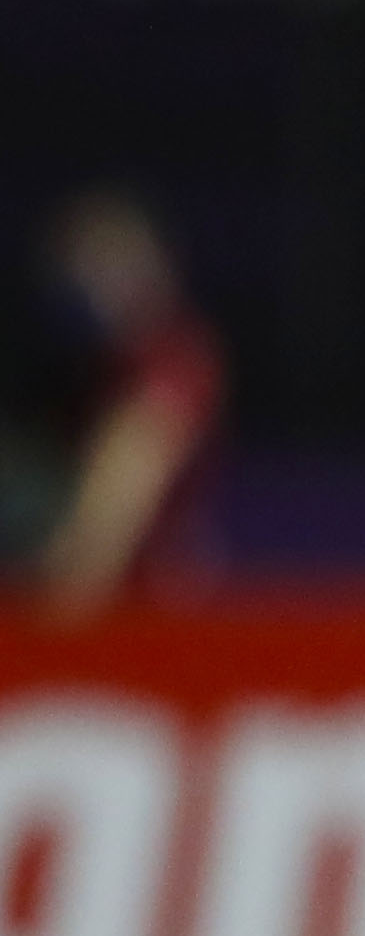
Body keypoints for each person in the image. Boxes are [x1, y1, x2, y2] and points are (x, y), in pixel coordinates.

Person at [25, 189, 223, 619]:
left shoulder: (172, 364)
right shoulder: (97, 371)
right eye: (78, 269)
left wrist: (57, 615)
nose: (89, 286)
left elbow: (111, 514)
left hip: (131, 621)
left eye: (104, 267)